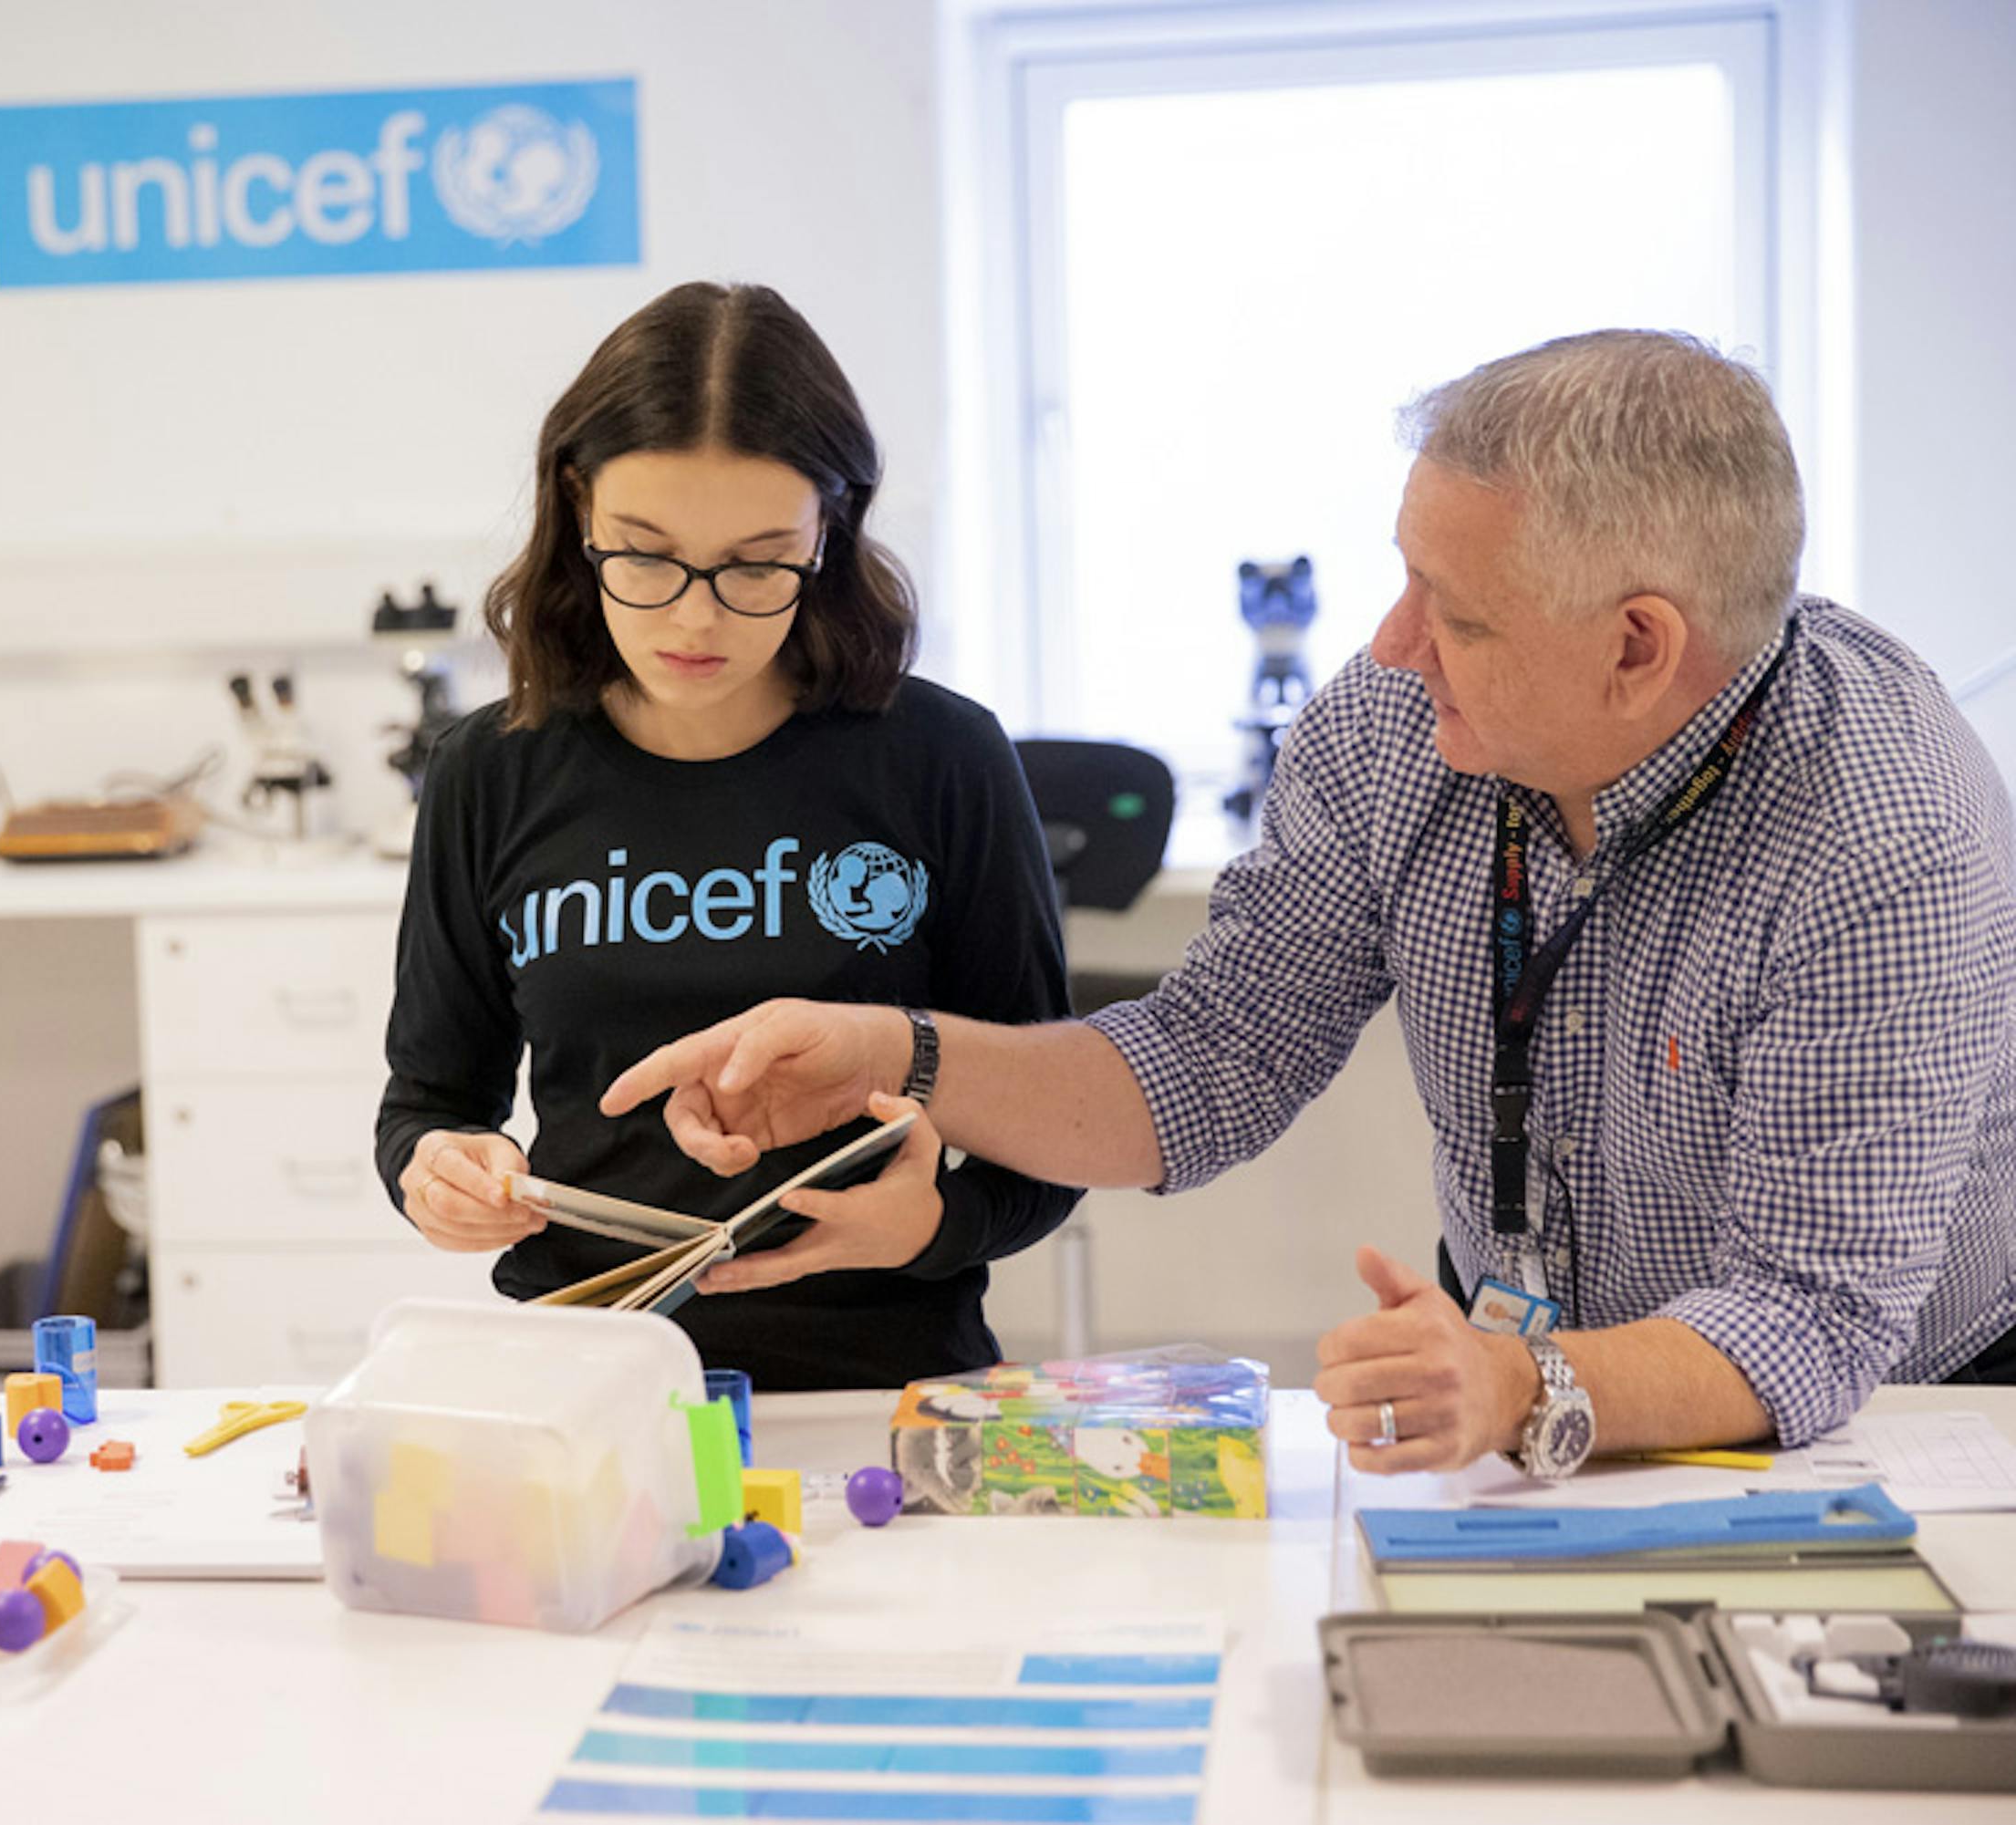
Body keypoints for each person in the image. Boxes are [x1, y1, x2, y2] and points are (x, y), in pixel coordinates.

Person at [604, 329, 2016, 1471]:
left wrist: (1525, 1377)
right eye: (1408, 579)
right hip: (1523, 1369)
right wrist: (904, 1052)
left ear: (1640, 648)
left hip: (1892, 1420)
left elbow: (1812, 1315)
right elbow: (1215, 1062)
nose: (1395, 647)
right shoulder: (1402, 727)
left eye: (1458, 614)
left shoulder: (1883, 835)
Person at [374, 281, 1082, 1390]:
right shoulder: (489, 770)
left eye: (757, 564)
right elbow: (429, 1102)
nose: (695, 618)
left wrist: (931, 1222)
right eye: (645, 556)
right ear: (579, 513)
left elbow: (1052, 1133)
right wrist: (441, 1175)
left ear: (829, 532)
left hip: (881, 1391)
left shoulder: (941, 760)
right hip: (584, 1384)